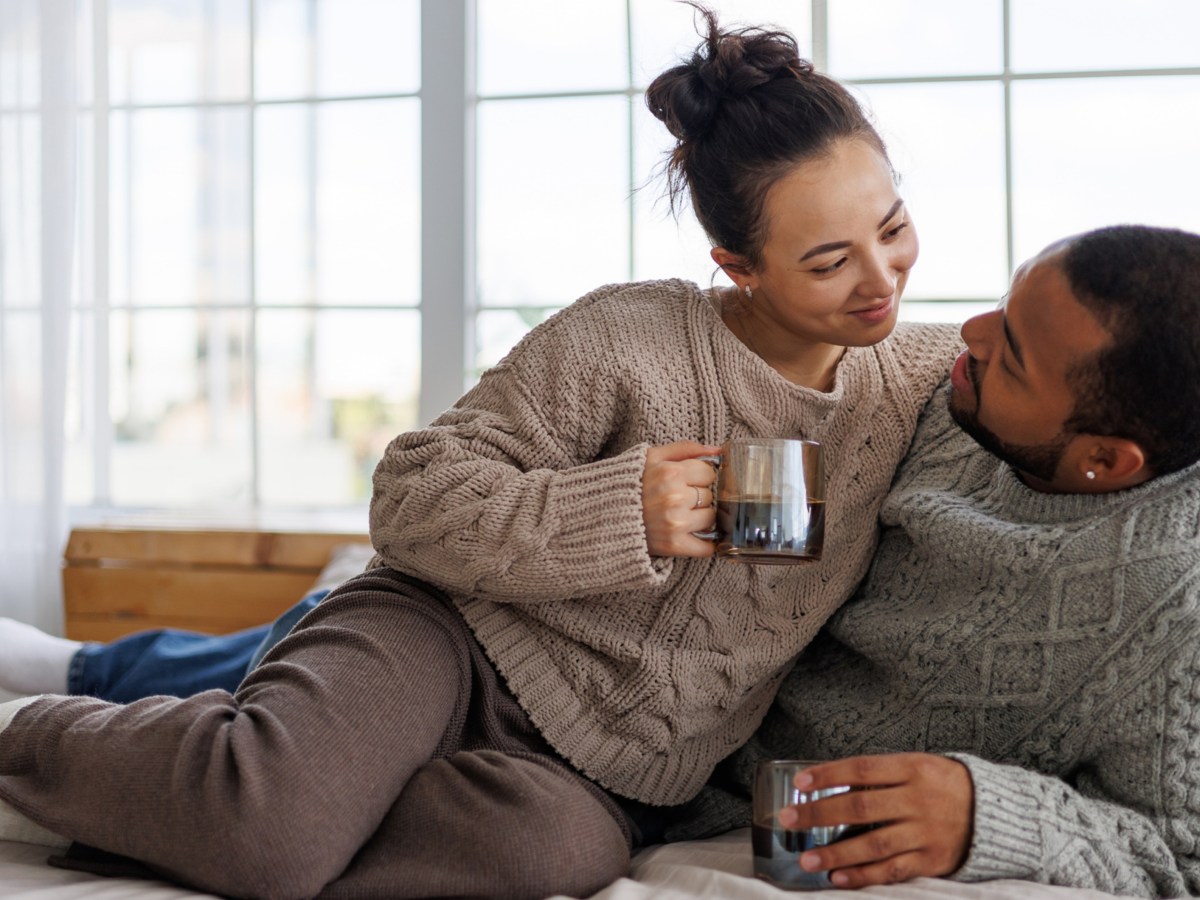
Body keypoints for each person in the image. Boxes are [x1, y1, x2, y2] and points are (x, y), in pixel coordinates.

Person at [0, 6, 962, 898]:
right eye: (829, 261)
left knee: (553, 860)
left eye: (893, 228)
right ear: (737, 265)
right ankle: (36, 739)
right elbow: (410, 495)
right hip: (443, 639)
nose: (880, 279)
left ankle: (252, 787)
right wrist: (620, 511)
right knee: (271, 832)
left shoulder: (926, 380)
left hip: (596, 771)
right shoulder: (630, 336)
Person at [666, 224, 1200, 899]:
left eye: (1011, 357)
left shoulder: (1178, 614)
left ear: (1102, 458)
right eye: (1004, 305)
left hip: (730, 806)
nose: (972, 333)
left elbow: (1182, 859)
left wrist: (993, 816)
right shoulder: (934, 388)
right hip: (651, 702)